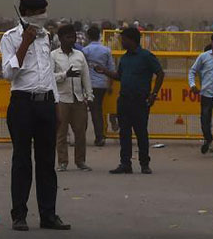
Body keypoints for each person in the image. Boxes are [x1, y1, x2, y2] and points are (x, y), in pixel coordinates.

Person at [0, 0, 70, 231]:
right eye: (39, 12)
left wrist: (56, 105)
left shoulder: (46, 37)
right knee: (21, 161)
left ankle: (48, 215)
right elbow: (9, 74)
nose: (43, 16)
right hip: (22, 104)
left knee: (46, 162)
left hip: (46, 103)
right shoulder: (10, 38)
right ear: (25, 13)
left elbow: (48, 73)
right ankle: (19, 215)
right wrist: (24, 44)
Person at [94, 27, 165, 175]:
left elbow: (160, 73)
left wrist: (153, 94)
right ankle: (125, 163)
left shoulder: (146, 56)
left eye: (123, 39)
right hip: (124, 100)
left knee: (141, 133)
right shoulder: (124, 58)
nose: (122, 42)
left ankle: (144, 163)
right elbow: (119, 76)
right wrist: (104, 71)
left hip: (140, 101)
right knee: (124, 133)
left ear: (131, 40)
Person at [52, 24, 94, 172]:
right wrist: (65, 75)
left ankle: (80, 161)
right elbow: (49, 77)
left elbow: (86, 76)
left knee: (80, 132)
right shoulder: (53, 56)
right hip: (61, 99)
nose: (72, 40)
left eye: (73, 37)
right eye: (68, 37)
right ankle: (63, 162)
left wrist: (89, 95)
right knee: (61, 133)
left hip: (78, 99)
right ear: (60, 38)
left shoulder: (79, 55)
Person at [188, 32, 213, 160]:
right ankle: (208, 138)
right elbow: (192, 71)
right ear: (211, 43)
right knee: (205, 122)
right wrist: (192, 85)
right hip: (206, 94)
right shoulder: (203, 57)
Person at [81, 25, 114, 147]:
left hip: (89, 84)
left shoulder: (86, 51)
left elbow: (82, 69)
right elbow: (111, 68)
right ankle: (100, 136)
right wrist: (110, 84)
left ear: (88, 36)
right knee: (98, 110)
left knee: (89, 111)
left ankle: (93, 137)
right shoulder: (106, 50)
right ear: (99, 36)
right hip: (102, 84)